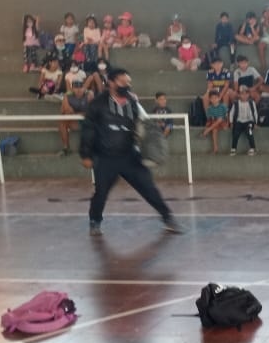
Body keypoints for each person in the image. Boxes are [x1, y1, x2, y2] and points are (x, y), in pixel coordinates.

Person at [79, 68, 182, 236]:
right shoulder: (97, 103)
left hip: (129, 155)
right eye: (122, 81)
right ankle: (95, 221)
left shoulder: (133, 103)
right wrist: (85, 154)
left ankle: (168, 218)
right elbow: (88, 129)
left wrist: (151, 147)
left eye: (128, 82)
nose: (127, 84)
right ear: (111, 82)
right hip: (106, 157)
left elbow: (145, 127)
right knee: (101, 192)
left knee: (149, 188)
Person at [58, 78, 91, 157]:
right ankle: (66, 148)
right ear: (72, 89)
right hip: (74, 121)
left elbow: (92, 111)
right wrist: (80, 113)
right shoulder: (67, 96)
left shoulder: (89, 96)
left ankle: (90, 148)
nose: (78, 90)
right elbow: (65, 111)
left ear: (84, 88)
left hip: (87, 121)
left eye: (80, 87)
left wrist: (77, 113)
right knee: (62, 121)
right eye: (76, 88)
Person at [229, 84, 258, 156]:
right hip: (239, 121)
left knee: (249, 132)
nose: (244, 96)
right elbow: (231, 113)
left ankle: (252, 148)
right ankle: (233, 148)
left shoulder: (251, 103)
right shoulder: (236, 103)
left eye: (246, 94)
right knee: (236, 133)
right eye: (242, 94)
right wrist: (231, 122)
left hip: (249, 121)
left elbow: (255, 113)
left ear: (248, 94)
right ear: (239, 95)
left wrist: (255, 123)